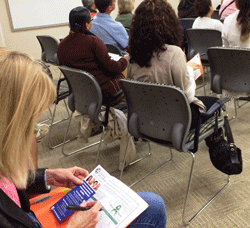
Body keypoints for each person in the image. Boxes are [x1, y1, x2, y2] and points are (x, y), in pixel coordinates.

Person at [0, 47, 167, 228]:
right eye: (30, 124)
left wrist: (47, 177)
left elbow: (8, 184)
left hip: (28, 216)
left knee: (152, 205)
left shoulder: (65, 48)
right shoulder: (94, 43)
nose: (34, 135)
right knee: (152, 208)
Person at [128, 0, 220, 130]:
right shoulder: (174, 53)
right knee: (216, 103)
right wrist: (189, 73)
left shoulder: (132, 56)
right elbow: (187, 95)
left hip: (147, 118)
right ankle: (218, 146)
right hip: (177, 120)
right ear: (169, 23)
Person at [57, 7, 127, 104]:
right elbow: (112, 67)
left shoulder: (61, 46)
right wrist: (125, 60)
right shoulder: (94, 42)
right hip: (103, 92)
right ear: (87, 25)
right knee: (124, 72)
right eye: (91, 20)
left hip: (80, 91)